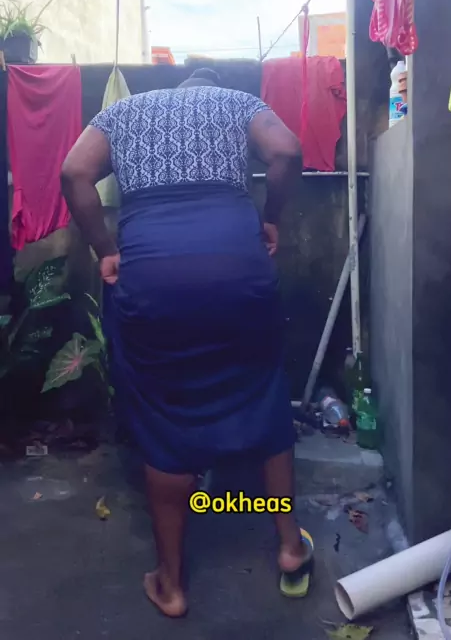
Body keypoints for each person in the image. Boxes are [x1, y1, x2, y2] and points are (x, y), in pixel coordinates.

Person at [61, 67, 314, 618]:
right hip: (239, 267)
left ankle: (172, 584)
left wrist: (105, 248)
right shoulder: (236, 103)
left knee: (167, 413)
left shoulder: (124, 112)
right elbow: (287, 151)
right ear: (211, 88)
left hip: (154, 274)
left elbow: (74, 171)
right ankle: (290, 546)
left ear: (177, 92)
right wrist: (270, 218)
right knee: (264, 390)